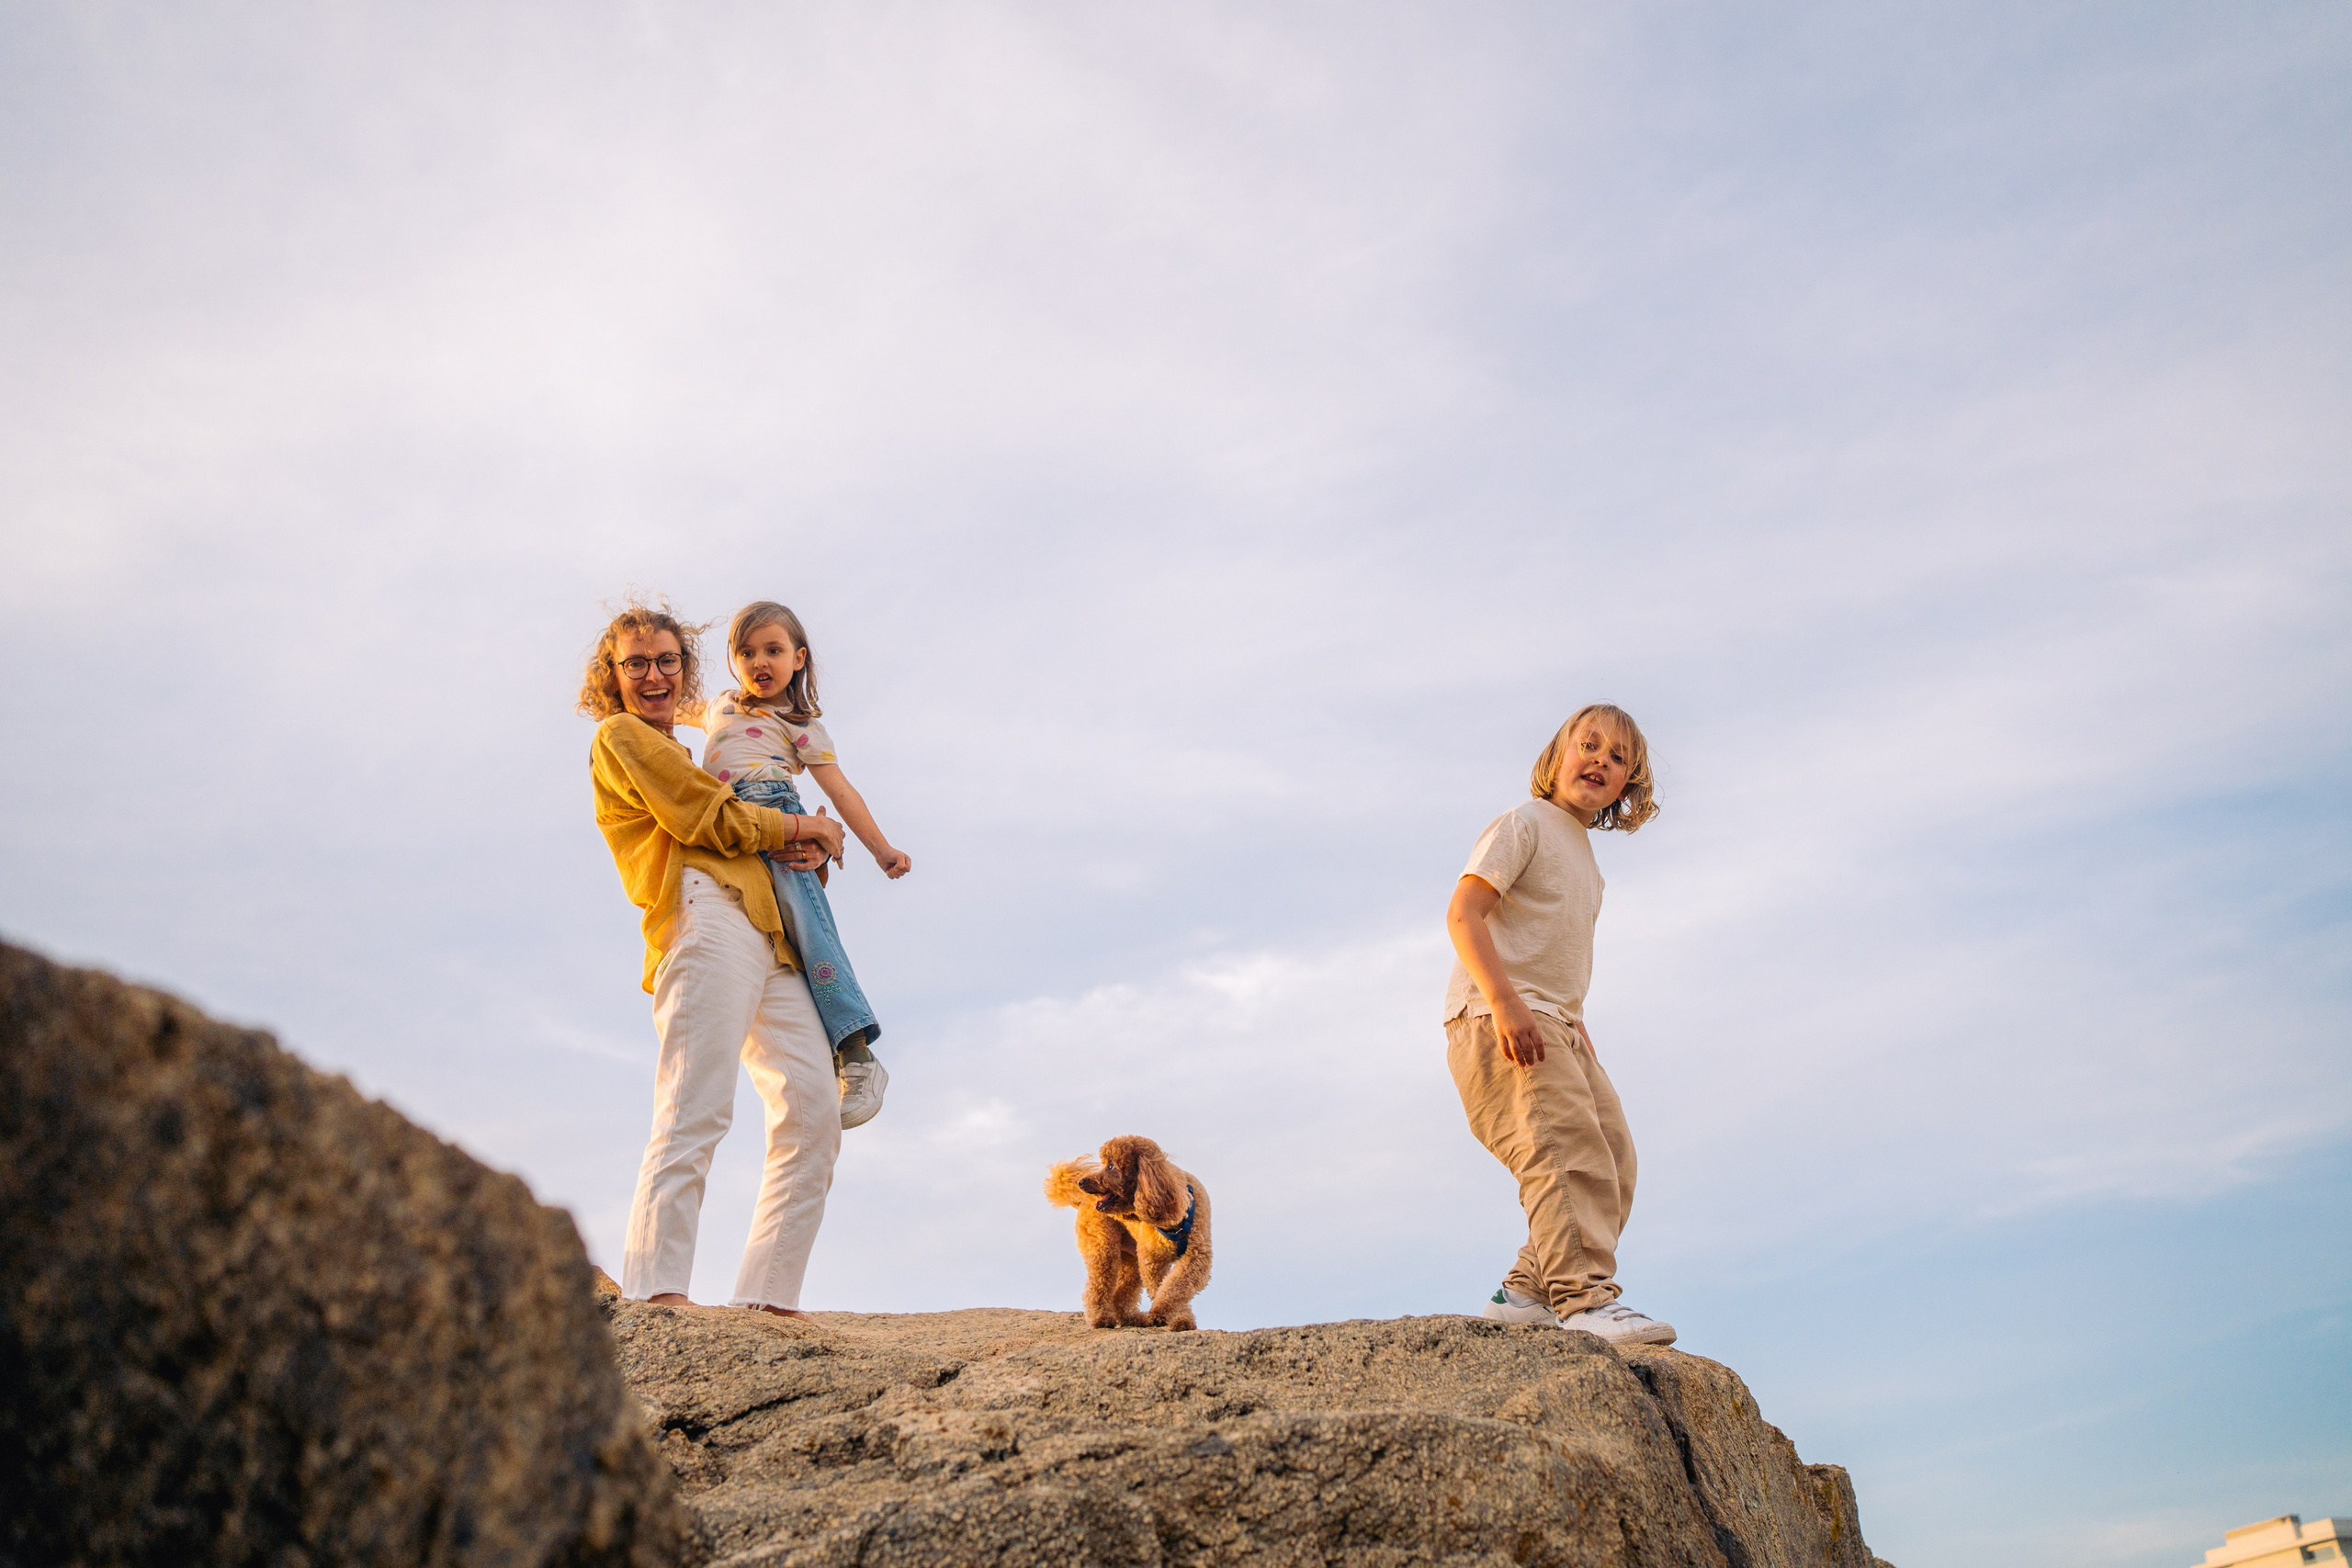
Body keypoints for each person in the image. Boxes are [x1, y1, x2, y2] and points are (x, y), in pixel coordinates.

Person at [579, 599, 843, 1317]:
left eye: (668, 660)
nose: (654, 674)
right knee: (695, 1105)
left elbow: (743, 828)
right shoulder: (623, 736)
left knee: (816, 1109)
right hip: (700, 916)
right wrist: (800, 823)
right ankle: (658, 1295)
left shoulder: (707, 753)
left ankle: (768, 1300)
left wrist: (804, 848)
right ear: (614, 675)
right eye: (636, 663)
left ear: (685, 669)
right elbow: (706, 817)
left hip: (768, 929)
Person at [1442, 704, 1676, 1345]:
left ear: (1628, 784)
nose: (1600, 759)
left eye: (1618, 757)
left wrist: (1576, 1030)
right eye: (1589, 745)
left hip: (1559, 1024)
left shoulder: (1587, 862)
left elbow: (1557, 957)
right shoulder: (1526, 824)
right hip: (1500, 1015)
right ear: (1556, 757)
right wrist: (1507, 1001)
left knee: (1613, 1158)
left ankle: (1526, 1292)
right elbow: (1464, 913)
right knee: (1564, 1153)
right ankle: (1583, 1299)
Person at [682, 600, 909, 1130]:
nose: (760, 661)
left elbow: (842, 793)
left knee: (811, 935)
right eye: (747, 652)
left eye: (774, 650)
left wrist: (880, 850)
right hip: (730, 827)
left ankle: (857, 1054)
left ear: (799, 658)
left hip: (778, 815)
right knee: (776, 951)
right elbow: (658, 706)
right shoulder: (719, 707)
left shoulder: (799, 724)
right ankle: (822, 1058)